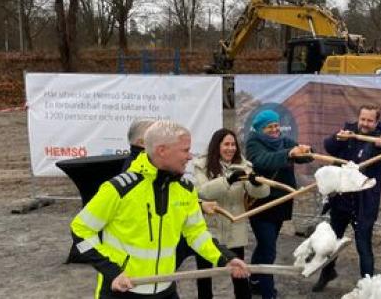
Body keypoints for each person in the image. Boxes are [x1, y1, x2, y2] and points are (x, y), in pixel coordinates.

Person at [69, 120, 250, 299]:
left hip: (165, 289)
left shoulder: (185, 190)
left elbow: (196, 233)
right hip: (122, 291)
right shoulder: (120, 189)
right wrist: (112, 271)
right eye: (185, 150)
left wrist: (226, 258)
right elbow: (81, 229)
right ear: (162, 150)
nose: (190, 157)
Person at [312, 105, 381, 291]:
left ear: (376, 122)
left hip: (364, 203)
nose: (365, 123)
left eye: (370, 120)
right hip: (342, 200)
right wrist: (337, 137)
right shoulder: (349, 133)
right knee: (332, 242)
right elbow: (329, 146)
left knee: (363, 246)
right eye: (363, 119)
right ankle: (327, 273)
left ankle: (368, 286)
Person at [190, 128, 270, 299]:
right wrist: (227, 180)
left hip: (235, 230)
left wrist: (256, 184)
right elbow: (203, 192)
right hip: (209, 230)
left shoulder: (244, 165)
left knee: (239, 275)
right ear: (217, 146)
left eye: (233, 144)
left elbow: (261, 193)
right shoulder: (201, 165)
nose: (231, 148)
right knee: (204, 277)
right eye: (226, 144)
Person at [244, 109, 313, 299]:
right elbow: (263, 161)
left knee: (266, 245)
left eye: (276, 125)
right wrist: (289, 153)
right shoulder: (253, 143)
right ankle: (268, 293)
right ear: (260, 129)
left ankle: (254, 280)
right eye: (270, 127)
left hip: (281, 204)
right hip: (261, 205)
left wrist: (306, 151)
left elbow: (303, 155)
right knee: (268, 250)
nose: (275, 129)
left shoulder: (283, 141)